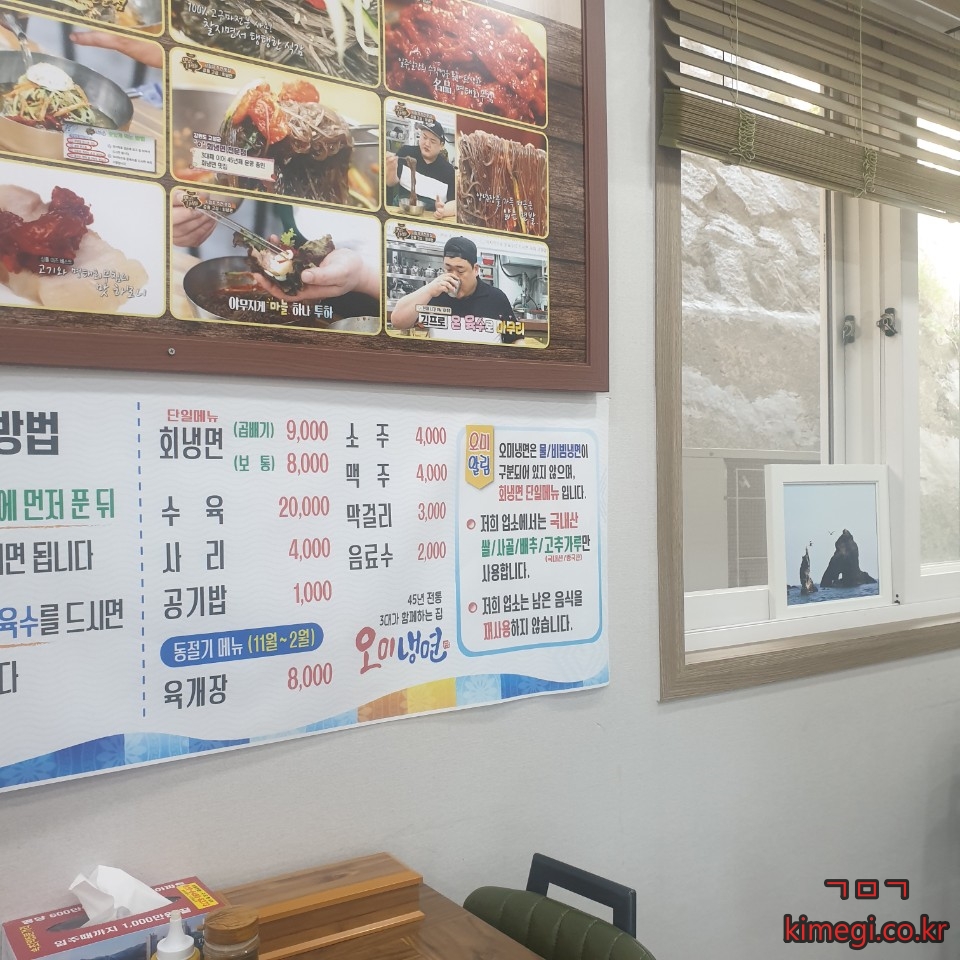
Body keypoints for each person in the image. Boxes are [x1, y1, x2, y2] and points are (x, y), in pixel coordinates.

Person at [389, 236, 521, 344]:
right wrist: (429, 289)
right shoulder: (435, 294)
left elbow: (517, 339)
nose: (453, 276)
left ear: (475, 269)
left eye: (460, 271)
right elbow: (397, 321)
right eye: (448, 269)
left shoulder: (496, 298)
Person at [385, 121, 456, 219]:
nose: (427, 143)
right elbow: (390, 183)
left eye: (432, 141)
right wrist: (391, 168)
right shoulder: (406, 152)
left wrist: (444, 211)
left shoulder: (448, 171)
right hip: (400, 212)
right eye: (424, 137)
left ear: (441, 145)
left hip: (430, 218)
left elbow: (455, 203)